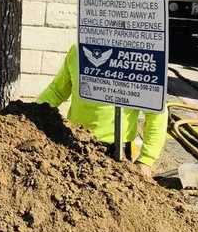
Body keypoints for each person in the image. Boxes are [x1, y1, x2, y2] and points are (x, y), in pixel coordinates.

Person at [36, 44, 167, 167]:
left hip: (115, 152)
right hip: (73, 142)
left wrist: (146, 160)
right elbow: (56, 92)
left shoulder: (138, 58)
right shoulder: (78, 50)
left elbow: (156, 114)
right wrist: (30, 115)